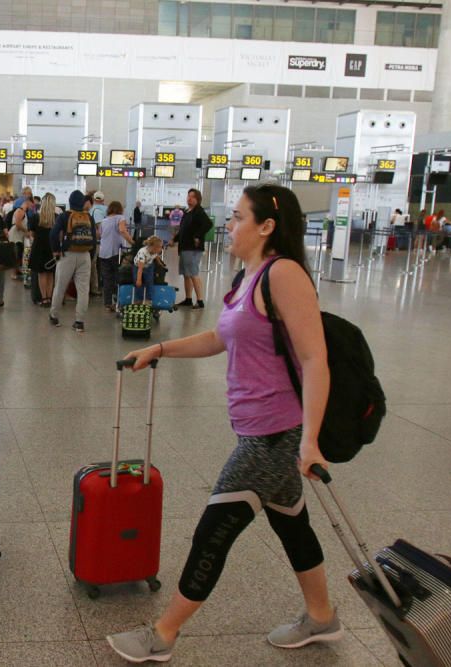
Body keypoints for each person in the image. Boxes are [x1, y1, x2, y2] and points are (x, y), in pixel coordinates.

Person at [108, 183, 336, 663]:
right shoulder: (248, 275)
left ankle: (163, 635)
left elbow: (316, 359)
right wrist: (161, 348)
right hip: (259, 429)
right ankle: (322, 616)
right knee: (293, 527)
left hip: (273, 437)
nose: (228, 225)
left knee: (213, 531)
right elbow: (219, 337)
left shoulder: (285, 274)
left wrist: (310, 440)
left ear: (266, 226)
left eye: (236, 217)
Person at [49, 190, 97, 332]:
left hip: (68, 255)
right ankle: (79, 322)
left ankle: (54, 316)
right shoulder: (89, 217)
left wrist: (56, 250)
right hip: (85, 255)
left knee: (60, 286)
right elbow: (94, 238)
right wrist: (90, 254)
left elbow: (53, 233)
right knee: (83, 290)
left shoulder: (64, 216)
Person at [172, 188, 212, 309]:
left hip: (192, 248)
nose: (189, 199)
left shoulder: (199, 211)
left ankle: (200, 300)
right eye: (188, 196)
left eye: (192, 197)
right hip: (184, 247)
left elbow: (208, 224)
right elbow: (183, 229)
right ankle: (188, 298)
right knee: (186, 274)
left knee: (193, 273)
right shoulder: (187, 212)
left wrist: (198, 236)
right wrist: (174, 239)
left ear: (197, 199)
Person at [97, 201, 135, 311]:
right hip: (115, 252)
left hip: (103, 253)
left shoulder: (104, 220)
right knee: (120, 277)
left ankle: (108, 303)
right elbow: (122, 230)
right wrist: (132, 242)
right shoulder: (120, 217)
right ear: (119, 209)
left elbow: (100, 235)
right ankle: (120, 300)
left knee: (107, 278)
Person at [28, 193, 58, 306]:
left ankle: (44, 298)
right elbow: (59, 235)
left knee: (41, 274)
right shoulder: (56, 218)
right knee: (50, 273)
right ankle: (50, 297)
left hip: (38, 248)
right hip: (52, 248)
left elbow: (32, 234)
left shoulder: (35, 217)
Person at [134, 236, 165, 305]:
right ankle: (139, 299)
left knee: (150, 281)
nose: (161, 249)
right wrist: (139, 279)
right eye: (159, 247)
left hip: (149, 266)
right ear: (153, 247)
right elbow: (140, 268)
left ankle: (149, 299)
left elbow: (156, 256)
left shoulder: (155, 251)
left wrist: (160, 263)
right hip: (138, 266)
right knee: (138, 282)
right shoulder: (143, 253)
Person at [8, 196, 33, 275]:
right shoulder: (20, 211)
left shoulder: (23, 212)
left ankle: (17, 270)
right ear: (28, 202)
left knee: (19, 253)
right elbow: (18, 224)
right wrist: (27, 231)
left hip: (19, 236)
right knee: (16, 254)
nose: (32, 207)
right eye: (32, 205)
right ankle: (13, 273)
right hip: (15, 236)